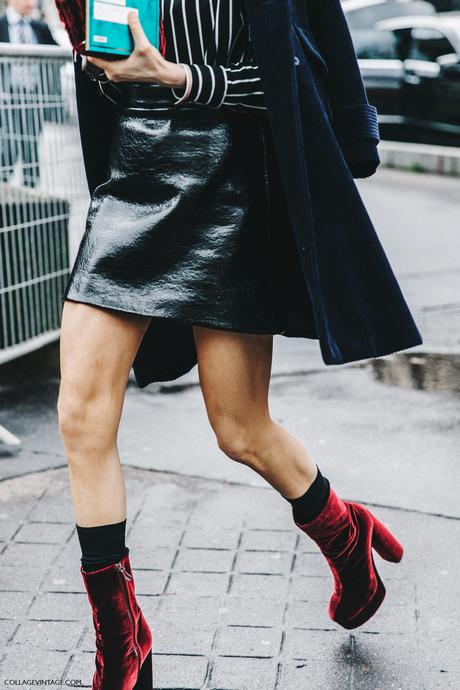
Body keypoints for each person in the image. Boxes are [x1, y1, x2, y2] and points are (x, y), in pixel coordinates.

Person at [54, 0, 423, 687]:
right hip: (132, 169)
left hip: (230, 177)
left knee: (241, 428)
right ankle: (122, 640)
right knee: (80, 413)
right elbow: (109, 71)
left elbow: (291, 81)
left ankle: (348, 537)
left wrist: (180, 77)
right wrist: (105, 60)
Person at [0, 0, 57, 187]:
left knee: (31, 143)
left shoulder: (40, 27)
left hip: (34, 96)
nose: (31, 2)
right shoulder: (1, 26)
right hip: (7, 98)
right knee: (10, 142)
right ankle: (3, 183)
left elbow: (58, 55)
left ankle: (31, 188)